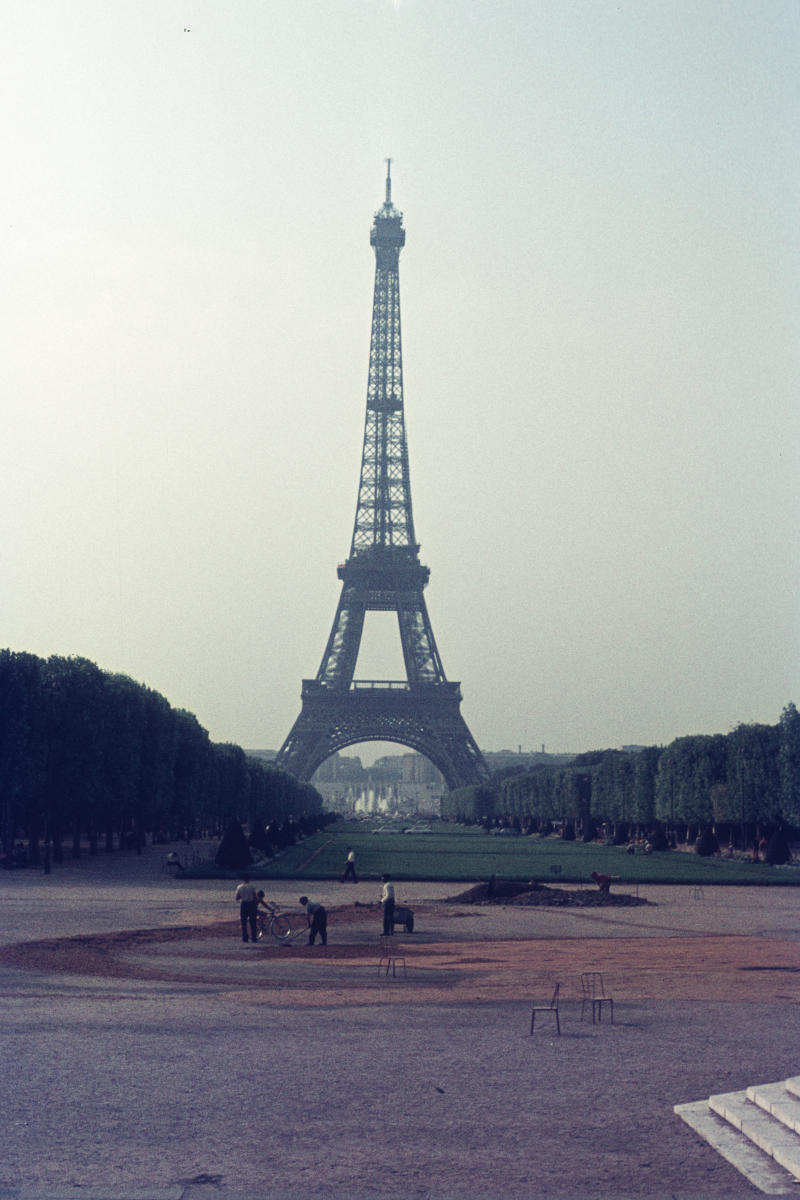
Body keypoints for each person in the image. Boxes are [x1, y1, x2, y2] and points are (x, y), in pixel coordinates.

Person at [235, 875, 258, 942]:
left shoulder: (240, 887)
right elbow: (255, 896)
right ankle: (254, 937)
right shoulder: (252, 886)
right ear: (249, 879)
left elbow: (236, 898)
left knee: (244, 922)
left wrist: (242, 896)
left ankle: (245, 937)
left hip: (244, 904)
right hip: (251, 904)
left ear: (243, 880)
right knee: (253, 921)